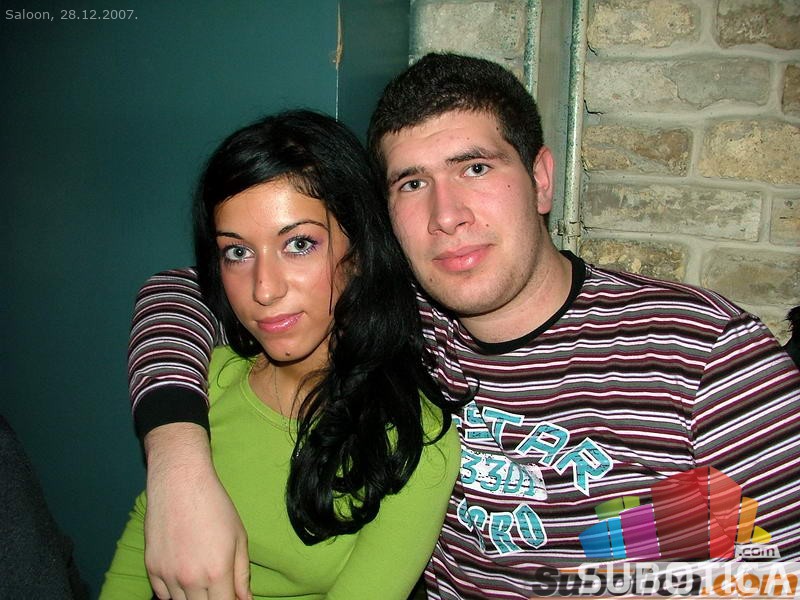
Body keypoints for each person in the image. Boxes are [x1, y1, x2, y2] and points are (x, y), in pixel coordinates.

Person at [126, 54, 800, 600]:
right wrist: (179, 464)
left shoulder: (703, 353)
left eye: (475, 168)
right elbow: (179, 294)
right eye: (411, 183)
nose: (446, 216)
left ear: (540, 179)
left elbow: (779, 577)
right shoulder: (397, 318)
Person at [101, 110, 460, 599]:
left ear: (359, 251)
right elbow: (134, 571)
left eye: (299, 244)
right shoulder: (201, 383)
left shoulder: (414, 439)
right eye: (238, 252)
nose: (264, 289)